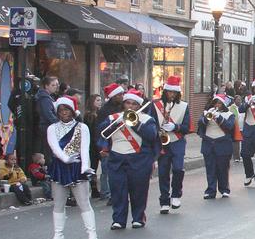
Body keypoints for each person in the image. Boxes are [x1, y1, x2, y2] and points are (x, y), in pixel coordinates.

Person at [98, 89, 158, 230]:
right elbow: (101, 135)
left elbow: (151, 136)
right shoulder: (113, 118)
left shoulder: (147, 120)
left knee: (138, 190)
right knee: (118, 190)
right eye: (128, 103)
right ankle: (118, 219)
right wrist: (105, 146)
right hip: (117, 158)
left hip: (139, 158)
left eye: (134, 104)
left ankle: (138, 218)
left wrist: (135, 123)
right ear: (123, 104)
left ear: (139, 106)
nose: (130, 106)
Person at [45, 96, 96, 239]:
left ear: (73, 111)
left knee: (83, 202)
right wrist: (65, 159)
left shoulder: (82, 127)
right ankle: (58, 235)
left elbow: (85, 149)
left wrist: (85, 166)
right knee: (58, 203)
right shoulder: (52, 128)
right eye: (60, 110)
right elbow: (54, 147)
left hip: (77, 167)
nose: (64, 113)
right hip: (59, 167)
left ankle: (92, 234)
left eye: (67, 109)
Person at [153, 76, 190, 214]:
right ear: (165, 91)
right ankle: (164, 200)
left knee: (178, 169)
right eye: (169, 92)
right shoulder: (155, 105)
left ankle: (176, 194)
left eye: (174, 93)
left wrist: (175, 126)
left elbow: (187, 127)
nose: (172, 95)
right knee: (163, 172)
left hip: (177, 141)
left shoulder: (184, 106)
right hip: (162, 142)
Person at [197, 94, 235, 199]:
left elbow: (229, 126)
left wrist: (219, 117)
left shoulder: (229, 114)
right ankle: (211, 190)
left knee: (223, 168)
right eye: (215, 103)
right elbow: (200, 124)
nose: (217, 105)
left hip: (223, 144)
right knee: (210, 168)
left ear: (223, 105)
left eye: (219, 103)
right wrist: (207, 118)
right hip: (208, 144)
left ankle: (224, 189)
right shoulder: (206, 113)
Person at [96, 83, 126, 203]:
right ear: (113, 96)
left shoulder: (124, 107)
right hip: (108, 143)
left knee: (120, 171)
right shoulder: (104, 110)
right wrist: (102, 147)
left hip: (122, 142)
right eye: (119, 95)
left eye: (122, 94)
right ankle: (106, 193)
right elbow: (100, 129)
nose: (121, 96)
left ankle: (117, 194)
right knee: (107, 169)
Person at [33, 75, 59, 158]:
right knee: (47, 152)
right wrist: (58, 122)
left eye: (57, 85)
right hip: (45, 127)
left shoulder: (47, 97)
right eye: (53, 85)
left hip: (46, 127)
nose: (56, 87)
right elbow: (48, 114)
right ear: (46, 86)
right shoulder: (44, 98)